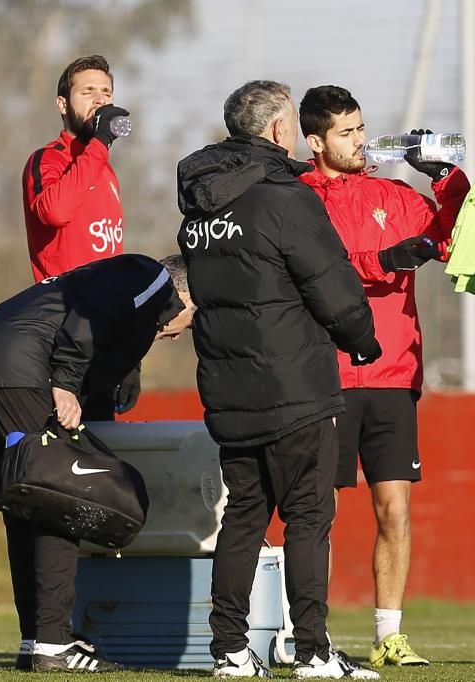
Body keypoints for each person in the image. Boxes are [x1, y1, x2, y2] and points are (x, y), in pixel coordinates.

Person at [177, 80, 382, 680]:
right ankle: (313, 651)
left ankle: (229, 651)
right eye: (290, 121)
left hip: (228, 385)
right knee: (309, 517)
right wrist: (363, 341)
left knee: (243, 517)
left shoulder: (199, 203)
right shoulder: (284, 197)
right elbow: (332, 283)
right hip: (295, 386)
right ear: (275, 130)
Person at [0, 254, 195, 673]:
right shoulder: (151, 277)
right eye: (190, 322)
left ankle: (37, 639)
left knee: (26, 498)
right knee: (59, 498)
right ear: (185, 294)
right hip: (19, 366)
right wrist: (64, 382)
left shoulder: (120, 284)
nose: (176, 335)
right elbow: (92, 312)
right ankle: (52, 643)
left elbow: (98, 324)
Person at [297, 85, 470, 668]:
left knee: (394, 509)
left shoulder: (393, 193)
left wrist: (445, 177)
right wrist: (384, 262)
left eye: (361, 128)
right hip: (328, 374)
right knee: (313, 510)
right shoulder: (296, 198)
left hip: (395, 374)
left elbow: (452, 238)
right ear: (314, 141)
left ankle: (388, 635)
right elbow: (316, 271)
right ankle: (306, 636)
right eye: (346, 133)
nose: (360, 141)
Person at [21, 54, 138, 420]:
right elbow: (54, 212)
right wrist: (100, 143)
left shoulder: (106, 171)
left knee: (104, 459)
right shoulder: (48, 160)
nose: (100, 100)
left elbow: (111, 261)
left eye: (106, 92)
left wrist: (129, 352)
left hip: (101, 336)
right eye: (87, 92)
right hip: (61, 335)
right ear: (62, 104)